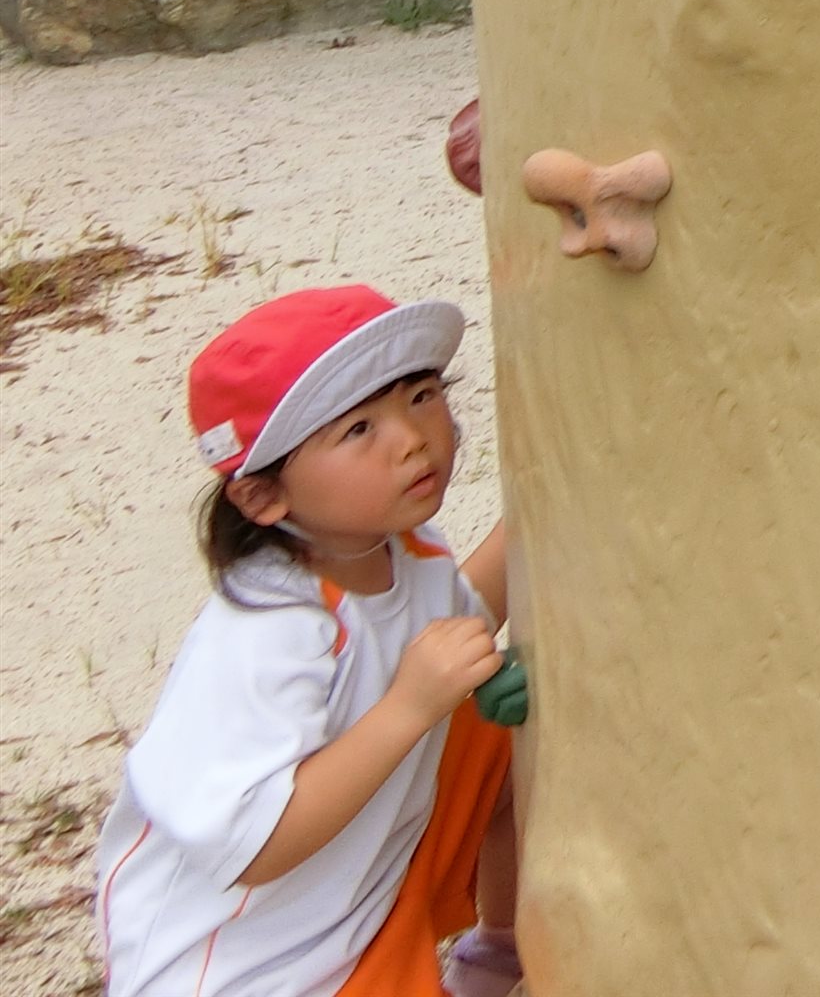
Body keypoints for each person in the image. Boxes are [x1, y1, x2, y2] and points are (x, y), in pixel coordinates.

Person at [93, 285, 523, 997]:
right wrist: (409, 707)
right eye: (358, 430)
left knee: (499, 733)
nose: (413, 437)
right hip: (259, 971)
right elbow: (255, 845)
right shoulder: (264, 635)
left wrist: (542, 504)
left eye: (420, 395)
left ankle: (498, 957)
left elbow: (462, 624)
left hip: (355, 902)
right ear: (263, 498)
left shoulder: (407, 550)